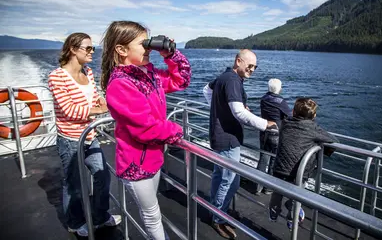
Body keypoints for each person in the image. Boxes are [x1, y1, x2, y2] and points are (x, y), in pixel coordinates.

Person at [102, 21, 191, 240]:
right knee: (152, 215)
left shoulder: (149, 75)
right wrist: (177, 130)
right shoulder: (120, 84)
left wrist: (171, 54)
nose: (149, 48)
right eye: (143, 44)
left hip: (154, 157)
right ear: (122, 50)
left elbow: (181, 80)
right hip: (136, 165)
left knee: (154, 211)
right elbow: (146, 128)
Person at [48, 33, 121, 237]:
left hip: (90, 135)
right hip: (70, 140)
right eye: (87, 48)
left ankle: (99, 216)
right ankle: (74, 222)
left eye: (92, 49)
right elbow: (69, 110)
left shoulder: (88, 72)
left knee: (103, 176)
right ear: (73, 49)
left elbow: (97, 99)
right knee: (74, 185)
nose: (91, 52)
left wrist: (99, 105)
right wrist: (98, 110)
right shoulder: (57, 77)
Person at [203, 49, 276, 239]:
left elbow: (206, 90)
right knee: (230, 182)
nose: (252, 69)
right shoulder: (234, 80)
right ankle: (218, 218)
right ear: (238, 61)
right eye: (249, 65)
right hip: (228, 139)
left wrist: (220, 110)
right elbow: (240, 113)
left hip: (218, 136)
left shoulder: (224, 76)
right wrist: (264, 124)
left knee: (220, 177)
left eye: (254, 67)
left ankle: (215, 210)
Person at [269, 98, 338, 230]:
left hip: (280, 168)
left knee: (277, 193)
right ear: (314, 116)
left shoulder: (285, 123)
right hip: (299, 172)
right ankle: (292, 221)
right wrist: (318, 145)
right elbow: (334, 141)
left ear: (293, 111)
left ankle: (273, 214)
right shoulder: (312, 128)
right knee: (296, 198)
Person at [256, 78, 291, 195]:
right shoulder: (281, 101)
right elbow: (289, 116)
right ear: (279, 88)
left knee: (263, 158)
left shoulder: (263, 98)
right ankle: (269, 187)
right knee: (273, 159)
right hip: (276, 133)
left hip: (264, 130)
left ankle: (258, 186)